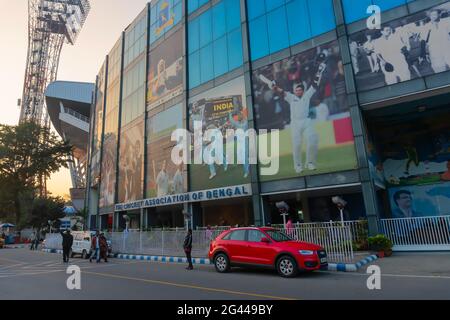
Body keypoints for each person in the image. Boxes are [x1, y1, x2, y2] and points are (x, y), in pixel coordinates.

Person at [272, 59, 327, 174]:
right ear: (294, 91)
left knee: (312, 140)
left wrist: (320, 71)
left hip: (306, 122)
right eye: (296, 90)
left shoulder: (307, 96)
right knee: (296, 145)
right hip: (295, 124)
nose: (298, 91)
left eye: (300, 90)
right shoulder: (291, 97)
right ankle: (297, 166)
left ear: (303, 91)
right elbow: (281, 92)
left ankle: (310, 163)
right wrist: (275, 87)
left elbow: (315, 84)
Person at [422, 9, 450, 74]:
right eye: (431, 15)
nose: (433, 16)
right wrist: (425, 54)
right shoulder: (426, 27)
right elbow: (423, 41)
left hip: (447, 48)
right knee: (439, 71)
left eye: (435, 14)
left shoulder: (445, 22)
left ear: (439, 14)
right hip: (435, 51)